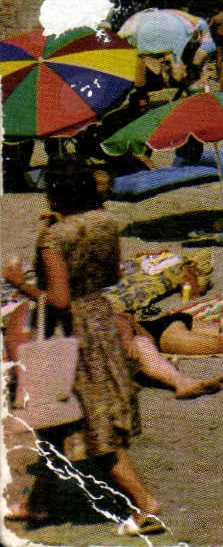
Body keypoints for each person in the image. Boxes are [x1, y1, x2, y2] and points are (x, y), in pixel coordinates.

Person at [3, 163, 164, 535]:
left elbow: (58, 299)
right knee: (56, 418)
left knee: (87, 422)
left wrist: (18, 282)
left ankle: (145, 504)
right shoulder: (104, 222)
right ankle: (37, 504)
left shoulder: (54, 239)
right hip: (100, 318)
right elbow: (112, 276)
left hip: (69, 329)